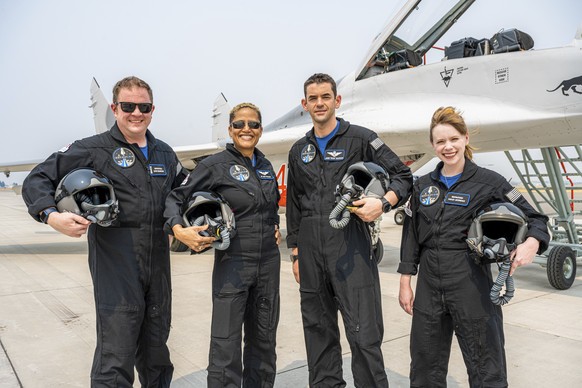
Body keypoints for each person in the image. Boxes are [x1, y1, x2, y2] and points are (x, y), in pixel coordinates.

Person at [22, 76, 188, 387]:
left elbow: (184, 192)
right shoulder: (93, 148)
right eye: (128, 106)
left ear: (153, 109)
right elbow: (37, 178)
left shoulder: (165, 154)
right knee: (117, 351)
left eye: (144, 106)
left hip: (158, 261)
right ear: (114, 108)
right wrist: (50, 215)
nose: (136, 113)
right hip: (116, 259)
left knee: (156, 350)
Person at [398, 106, 550, 387]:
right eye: (441, 141)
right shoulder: (421, 186)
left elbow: (537, 218)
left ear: (465, 138)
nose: (448, 146)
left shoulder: (490, 182)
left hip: (470, 279)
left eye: (453, 139)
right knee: (424, 365)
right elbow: (411, 235)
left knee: (485, 364)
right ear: (433, 146)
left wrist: (533, 241)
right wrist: (406, 281)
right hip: (429, 281)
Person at [286, 73, 413, 387]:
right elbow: (294, 204)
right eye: (313, 98)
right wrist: (296, 253)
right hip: (311, 252)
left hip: (351, 248)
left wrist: (383, 203)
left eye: (325, 97)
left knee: (364, 332)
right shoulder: (298, 150)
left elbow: (403, 177)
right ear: (305, 104)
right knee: (318, 331)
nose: (319, 103)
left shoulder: (360, 138)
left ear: (336, 100)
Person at [164, 102, 282, 387]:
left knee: (264, 340)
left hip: (268, 262)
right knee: (226, 342)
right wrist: (179, 230)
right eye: (239, 124)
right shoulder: (214, 165)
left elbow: (268, 207)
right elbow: (175, 198)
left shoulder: (265, 165)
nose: (246, 129)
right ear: (230, 130)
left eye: (253, 124)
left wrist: (274, 225)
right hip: (234, 263)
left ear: (260, 130)